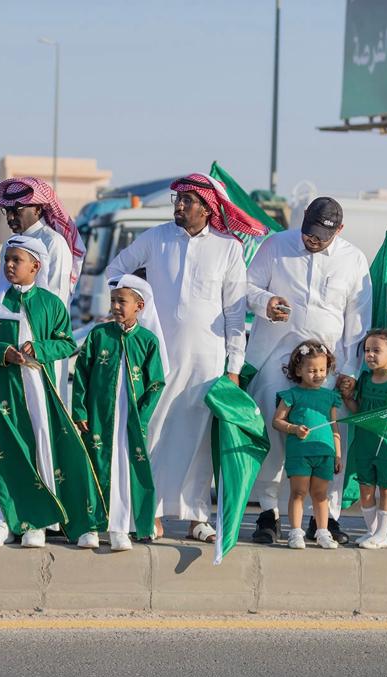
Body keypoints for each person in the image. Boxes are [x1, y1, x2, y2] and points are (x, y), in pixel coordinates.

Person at [104, 173, 263, 543]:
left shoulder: (228, 247)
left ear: (208, 208)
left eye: (188, 200)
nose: (179, 205)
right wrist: (140, 305)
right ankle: (151, 511)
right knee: (155, 430)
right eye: (177, 199)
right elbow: (116, 272)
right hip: (158, 353)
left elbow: (236, 313)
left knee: (197, 436)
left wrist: (234, 367)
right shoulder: (156, 237)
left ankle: (196, 517)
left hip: (208, 358)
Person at [245, 197, 370, 545]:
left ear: (339, 231)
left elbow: (357, 322)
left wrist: (349, 371)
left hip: (327, 365)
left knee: (327, 436)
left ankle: (326, 518)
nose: (312, 241)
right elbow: (245, 286)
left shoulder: (353, 259)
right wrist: (264, 302)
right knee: (272, 425)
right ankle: (268, 513)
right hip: (277, 353)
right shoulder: (276, 245)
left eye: (321, 237)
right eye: (308, 233)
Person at [0, 235, 101, 548]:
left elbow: (67, 343)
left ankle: (38, 522)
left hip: (39, 391)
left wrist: (37, 348)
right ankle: (0, 521)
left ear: (35, 266)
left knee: (40, 449)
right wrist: (4, 352)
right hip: (2, 390)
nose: (10, 266)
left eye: (17, 260)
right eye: (7, 260)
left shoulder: (51, 303)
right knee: (3, 453)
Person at [71, 275, 167, 551]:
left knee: (125, 471)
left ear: (139, 305)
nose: (115, 306)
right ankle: (91, 526)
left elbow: (156, 382)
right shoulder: (99, 335)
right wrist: (80, 409)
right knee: (95, 466)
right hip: (99, 418)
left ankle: (120, 528)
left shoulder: (147, 341)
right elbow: (82, 375)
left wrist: (142, 417)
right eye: (113, 301)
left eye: (121, 301)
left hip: (130, 420)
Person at [339, 329, 387, 549]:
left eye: (376, 350)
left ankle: (382, 533)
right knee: (365, 487)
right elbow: (358, 410)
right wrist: (348, 398)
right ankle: (372, 530)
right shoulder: (365, 379)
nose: (370, 354)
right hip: (365, 441)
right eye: (367, 350)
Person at [270, 340, 343, 550]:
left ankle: (322, 531)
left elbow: (335, 429)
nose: (318, 374)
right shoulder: (292, 395)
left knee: (321, 495)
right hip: (300, 452)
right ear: (299, 370)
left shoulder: (330, 397)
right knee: (298, 492)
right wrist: (293, 429)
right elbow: (277, 421)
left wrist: (337, 455)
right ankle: (295, 532)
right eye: (312, 370)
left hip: (325, 453)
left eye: (322, 370)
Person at [0, 177, 86, 305]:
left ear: (37, 209)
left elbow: (57, 299)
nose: (10, 217)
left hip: (44, 322)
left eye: (17, 210)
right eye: (6, 210)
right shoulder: (10, 243)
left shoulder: (53, 242)